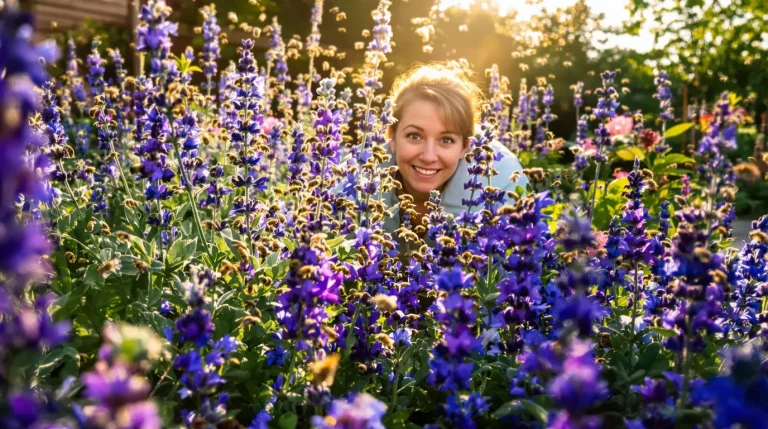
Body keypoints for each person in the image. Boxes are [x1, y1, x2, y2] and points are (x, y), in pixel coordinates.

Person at [378, 62, 529, 242]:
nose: (428, 156)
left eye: (446, 140)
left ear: (465, 146)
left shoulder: (500, 180)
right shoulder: (362, 178)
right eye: (414, 136)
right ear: (392, 137)